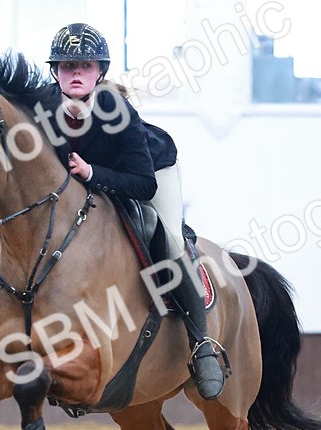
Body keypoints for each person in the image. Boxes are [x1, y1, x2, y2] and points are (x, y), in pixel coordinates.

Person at [40, 22, 227, 400]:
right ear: (55, 72)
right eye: (67, 66)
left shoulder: (115, 110)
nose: (76, 73)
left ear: (100, 72)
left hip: (152, 170)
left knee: (167, 236)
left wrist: (92, 174)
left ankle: (201, 341)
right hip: (93, 181)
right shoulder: (42, 107)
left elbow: (144, 184)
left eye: (86, 66)